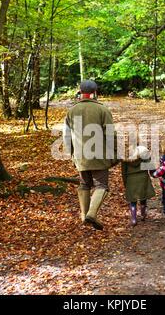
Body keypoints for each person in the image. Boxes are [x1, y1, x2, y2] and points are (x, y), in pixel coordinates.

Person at [63, 80, 116, 230]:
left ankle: (83, 215)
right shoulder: (102, 110)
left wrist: (71, 154)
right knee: (102, 185)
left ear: (80, 92)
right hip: (99, 155)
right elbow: (110, 134)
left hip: (80, 156)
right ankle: (91, 214)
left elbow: (66, 136)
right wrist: (113, 153)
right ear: (95, 92)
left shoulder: (71, 111)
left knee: (84, 184)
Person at [121, 146, 156, 226]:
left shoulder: (125, 157)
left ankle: (133, 219)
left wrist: (125, 183)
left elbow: (123, 172)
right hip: (143, 177)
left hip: (130, 179)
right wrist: (153, 173)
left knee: (132, 200)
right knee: (143, 196)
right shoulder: (143, 152)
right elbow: (149, 165)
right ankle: (143, 214)